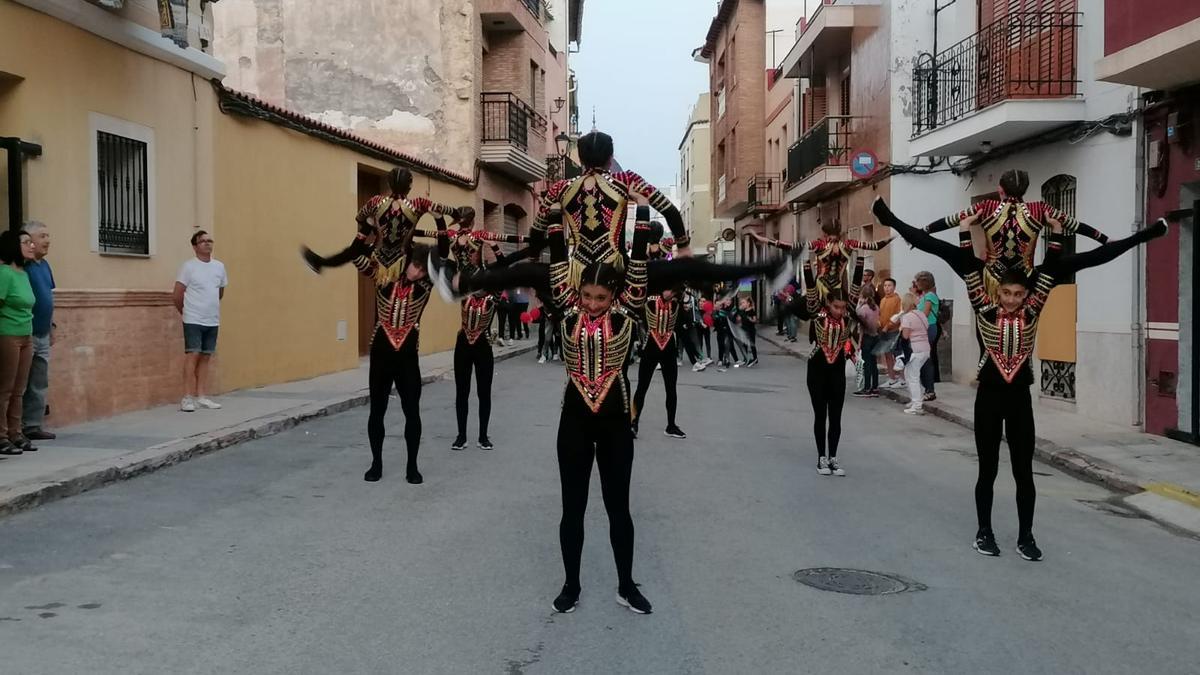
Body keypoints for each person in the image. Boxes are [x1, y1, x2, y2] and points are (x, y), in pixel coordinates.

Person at [873, 196, 1168, 561]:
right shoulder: (983, 302)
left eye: (1018, 294)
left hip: (1019, 398)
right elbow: (943, 250)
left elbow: (1090, 259)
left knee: (1023, 470)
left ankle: (1026, 536)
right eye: (1007, 293)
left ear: (1028, 294)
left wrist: (1130, 238)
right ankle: (984, 531)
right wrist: (955, 233)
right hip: (989, 397)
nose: (1012, 299)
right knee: (988, 468)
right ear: (998, 292)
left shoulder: (1035, 302)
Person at [920, 168, 1111, 300]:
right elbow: (1075, 225)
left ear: (1000, 189)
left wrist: (925, 230)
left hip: (992, 280)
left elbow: (950, 220)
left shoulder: (986, 207)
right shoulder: (1039, 209)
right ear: (1025, 189)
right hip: (1026, 280)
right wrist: (1104, 239)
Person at [529, 131, 692, 284]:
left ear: (581, 158)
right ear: (610, 157)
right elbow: (669, 210)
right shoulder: (626, 180)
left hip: (579, 273)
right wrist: (683, 246)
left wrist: (533, 258)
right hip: (617, 271)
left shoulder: (560, 188)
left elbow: (537, 228)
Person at [300, 167, 471, 279]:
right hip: (405, 257)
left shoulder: (376, 202)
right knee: (432, 257)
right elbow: (445, 210)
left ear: (389, 184)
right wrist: (456, 216)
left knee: (350, 251)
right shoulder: (419, 204)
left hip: (377, 255)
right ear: (409, 186)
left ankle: (321, 262)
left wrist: (373, 226)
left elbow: (359, 217)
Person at [786, 256, 865, 476]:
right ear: (828, 304)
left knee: (837, 416)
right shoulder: (820, 315)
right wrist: (808, 267)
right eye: (836, 306)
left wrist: (859, 262)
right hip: (817, 369)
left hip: (837, 369)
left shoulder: (847, 317)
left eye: (842, 307)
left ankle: (834, 457)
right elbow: (811, 293)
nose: (840, 310)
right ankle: (821, 457)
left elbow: (856, 289)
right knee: (821, 415)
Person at [751, 224, 892, 301]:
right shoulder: (846, 244)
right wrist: (893, 235)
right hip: (824, 286)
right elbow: (877, 245)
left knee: (843, 309)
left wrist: (894, 235)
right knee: (817, 311)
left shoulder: (822, 245)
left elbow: (789, 246)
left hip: (830, 285)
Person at [174, 230, 227, 413]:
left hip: (212, 319)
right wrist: (185, 312)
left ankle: (202, 396)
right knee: (193, 355)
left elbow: (219, 291)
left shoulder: (219, 266)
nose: (207, 243)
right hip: (193, 318)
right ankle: (187, 397)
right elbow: (177, 294)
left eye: (209, 240)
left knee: (206, 356)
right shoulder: (189, 267)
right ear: (195, 246)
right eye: (202, 241)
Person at [632, 288, 687, 440]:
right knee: (642, 387)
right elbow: (637, 316)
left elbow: (682, 322)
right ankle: (633, 423)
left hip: (669, 348)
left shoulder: (677, 304)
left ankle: (671, 425)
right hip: (650, 347)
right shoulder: (649, 301)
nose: (671, 293)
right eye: (669, 289)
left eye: (673, 291)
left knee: (671, 388)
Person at [0, 230, 37, 456]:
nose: (31, 246)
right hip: (7, 334)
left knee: (19, 389)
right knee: (4, 388)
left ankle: (15, 432)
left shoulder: (23, 273)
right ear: (14, 246)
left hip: (26, 334)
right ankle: (1, 435)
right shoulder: (4, 273)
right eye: (26, 242)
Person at [22, 221, 55, 441]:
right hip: (26, 332)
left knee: (39, 380)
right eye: (42, 236)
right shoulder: (23, 266)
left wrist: (52, 326)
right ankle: (14, 428)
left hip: (43, 332)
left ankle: (32, 425)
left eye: (47, 235)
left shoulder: (45, 265)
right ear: (30, 241)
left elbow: (49, 297)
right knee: (20, 381)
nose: (47, 240)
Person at [898, 293, 932, 414]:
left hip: (914, 350)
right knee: (909, 374)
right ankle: (915, 400)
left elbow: (905, 336)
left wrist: (901, 330)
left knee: (913, 377)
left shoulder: (907, 317)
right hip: (925, 349)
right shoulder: (921, 314)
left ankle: (917, 405)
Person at [916, 271, 940, 400]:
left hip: (928, 328)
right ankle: (926, 388)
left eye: (918, 281)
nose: (916, 284)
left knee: (926, 360)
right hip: (924, 328)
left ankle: (930, 390)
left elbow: (924, 313)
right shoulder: (925, 295)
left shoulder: (930, 296)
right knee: (923, 359)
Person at [853, 285, 880, 397]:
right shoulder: (876, 307)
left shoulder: (863, 309)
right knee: (873, 363)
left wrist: (859, 342)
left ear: (862, 295)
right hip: (875, 336)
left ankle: (867, 387)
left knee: (867, 363)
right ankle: (875, 387)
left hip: (867, 337)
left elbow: (861, 324)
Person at [877, 278, 902, 387]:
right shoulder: (882, 300)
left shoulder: (897, 299)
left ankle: (902, 379)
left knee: (897, 356)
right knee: (887, 355)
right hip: (883, 331)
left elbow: (897, 316)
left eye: (889, 285)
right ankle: (891, 377)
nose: (887, 288)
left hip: (893, 330)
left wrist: (888, 326)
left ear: (894, 287)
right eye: (885, 286)